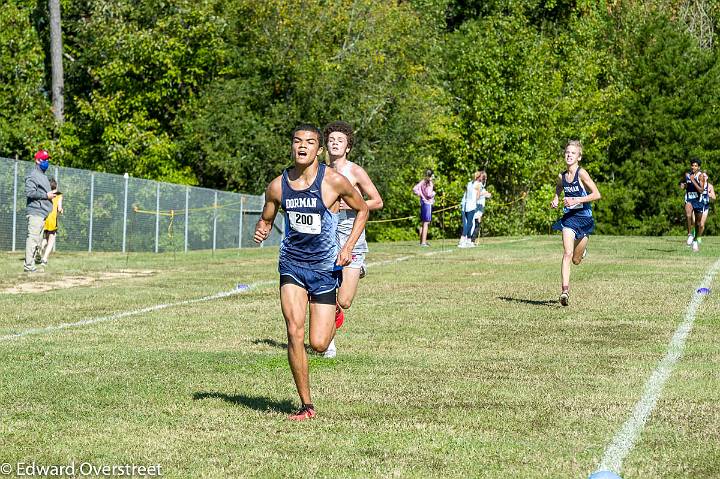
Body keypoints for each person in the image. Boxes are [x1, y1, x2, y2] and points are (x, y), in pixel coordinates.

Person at [253, 124, 369, 421]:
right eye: (297, 141)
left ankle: (335, 317)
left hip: (324, 268)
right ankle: (306, 405)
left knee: (318, 344)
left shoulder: (333, 181)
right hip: (291, 265)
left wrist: (348, 248)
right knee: (294, 331)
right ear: (291, 147)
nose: (302, 146)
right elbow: (268, 214)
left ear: (319, 150)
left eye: (310, 142)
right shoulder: (278, 185)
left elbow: (363, 210)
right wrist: (263, 228)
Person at [323, 121, 383, 359]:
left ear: (348, 147)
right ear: (326, 145)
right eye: (332, 140)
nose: (335, 143)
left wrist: (351, 203)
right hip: (327, 233)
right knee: (325, 289)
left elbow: (377, 201)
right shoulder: (319, 171)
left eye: (340, 140)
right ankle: (329, 344)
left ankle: (357, 269)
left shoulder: (355, 171)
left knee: (344, 301)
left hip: (351, 232)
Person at [550, 140, 601, 306]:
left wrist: (576, 199)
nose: (569, 155)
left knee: (576, 260)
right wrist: (556, 198)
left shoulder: (582, 174)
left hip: (584, 218)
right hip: (569, 219)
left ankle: (583, 251)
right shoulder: (562, 176)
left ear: (579, 157)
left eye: (573, 153)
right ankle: (565, 291)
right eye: (567, 152)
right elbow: (559, 187)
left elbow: (596, 194)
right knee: (567, 253)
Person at [24, 150, 57, 272]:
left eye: (48, 159)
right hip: (35, 212)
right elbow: (30, 192)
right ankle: (29, 267)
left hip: (43, 213)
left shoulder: (43, 176)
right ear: (37, 161)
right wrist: (46, 195)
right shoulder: (32, 175)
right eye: (44, 159)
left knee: (38, 241)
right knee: (33, 239)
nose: (47, 162)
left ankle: (32, 264)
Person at [679, 158, 709, 252]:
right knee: (688, 214)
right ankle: (689, 234)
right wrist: (683, 185)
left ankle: (695, 240)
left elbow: (701, 190)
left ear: (699, 167)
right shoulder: (687, 175)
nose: (693, 167)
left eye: (695, 166)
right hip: (689, 198)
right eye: (692, 165)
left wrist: (693, 180)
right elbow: (683, 183)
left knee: (698, 223)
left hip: (698, 200)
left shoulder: (701, 177)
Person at [40, 178, 64, 266]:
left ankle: (40, 248)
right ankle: (44, 259)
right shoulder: (59, 195)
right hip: (53, 219)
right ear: (56, 185)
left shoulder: (46, 194)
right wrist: (61, 210)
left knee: (45, 237)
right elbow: (59, 207)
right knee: (51, 240)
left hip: (44, 218)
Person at [413, 169, 435, 246]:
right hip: (427, 204)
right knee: (426, 223)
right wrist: (433, 193)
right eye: (432, 175)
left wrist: (420, 195)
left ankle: (422, 241)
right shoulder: (430, 184)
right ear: (430, 176)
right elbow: (429, 194)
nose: (433, 177)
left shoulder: (422, 182)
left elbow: (414, 189)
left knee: (423, 223)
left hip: (423, 203)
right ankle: (423, 242)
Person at [459, 171, 481, 248]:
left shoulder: (469, 183)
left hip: (465, 205)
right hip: (471, 206)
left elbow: (466, 194)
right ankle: (462, 239)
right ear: (479, 177)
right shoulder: (478, 184)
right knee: (469, 224)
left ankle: (468, 240)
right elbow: (477, 197)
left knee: (469, 223)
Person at [470, 171, 491, 244]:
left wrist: (487, 194)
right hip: (475, 206)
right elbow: (476, 195)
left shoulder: (482, 185)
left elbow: (482, 191)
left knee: (477, 223)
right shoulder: (476, 184)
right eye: (483, 177)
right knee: (475, 223)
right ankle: (471, 240)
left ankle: (472, 239)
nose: (485, 179)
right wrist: (484, 194)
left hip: (480, 207)